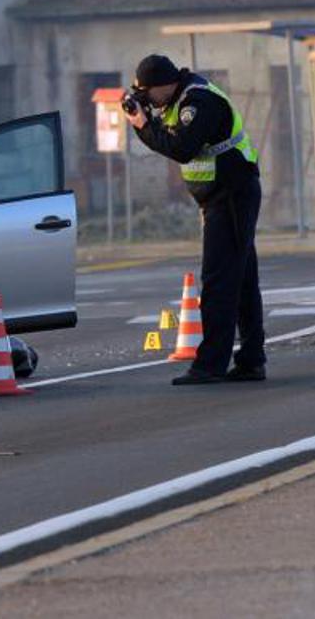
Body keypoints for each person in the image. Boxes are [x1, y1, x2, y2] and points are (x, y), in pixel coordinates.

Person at [123, 54, 266, 385]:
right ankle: (250, 360)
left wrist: (144, 127)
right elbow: (171, 137)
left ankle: (210, 364)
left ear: (164, 85)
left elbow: (182, 148)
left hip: (229, 195)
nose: (147, 102)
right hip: (224, 195)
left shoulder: (197, 101)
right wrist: (148, 122)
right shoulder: (179, 98)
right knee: (241, 279)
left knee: (218, 280)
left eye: (147, 94)